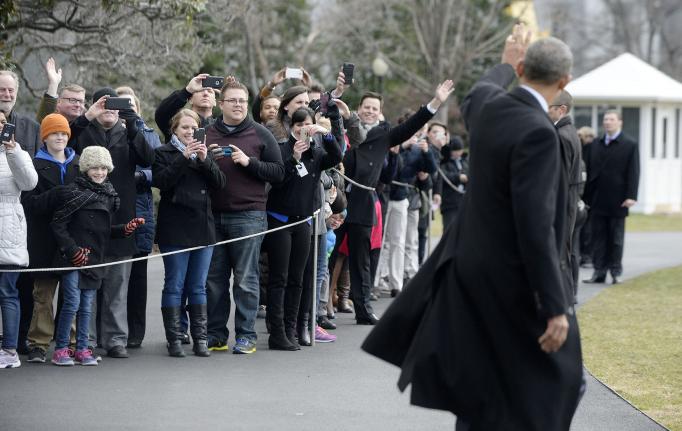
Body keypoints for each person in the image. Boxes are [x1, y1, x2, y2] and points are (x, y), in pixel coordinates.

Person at [363, 26, 583, 430]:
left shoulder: (489, 108)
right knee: (552, 384)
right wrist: (555, 306)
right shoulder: (538, 133)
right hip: (512, 284)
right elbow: (535, 226)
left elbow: (479, 89)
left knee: (481, 389)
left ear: (521, 68)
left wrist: (503, 63)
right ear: (564, 82)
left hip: (467, 274)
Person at [340, 81, 454, 325]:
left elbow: (412, 125)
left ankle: (363, 308)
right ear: (359, 109)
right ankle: (317, 310)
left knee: (361, 260)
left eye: (374, 108)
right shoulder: (346, 127)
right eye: (366, 107)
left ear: (379, 112)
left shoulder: (384, 134)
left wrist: (435, 102)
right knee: (328, 257)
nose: (370, 111)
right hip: (336, 199)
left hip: (362, 201)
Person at [68, 87, 155, 359]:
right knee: (88, 283)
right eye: (104, 105)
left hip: (122, 216)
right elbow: (64, 141)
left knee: (118, 284)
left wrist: (131, 122)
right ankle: (87, 338)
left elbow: (148, 158)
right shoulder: (84, 130)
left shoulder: (129, 131)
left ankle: (116, 338)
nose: (109, 110)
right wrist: (86, 115)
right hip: (87, 218)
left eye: (114, 105)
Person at [205, 80, 284, 354]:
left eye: (242, 101)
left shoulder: (260, 133)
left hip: (249, 215)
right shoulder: (207, 132)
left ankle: (246, 335)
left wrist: (248, 162)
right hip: (212, 215)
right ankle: (215, 335)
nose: (238, 105)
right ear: (220, 103)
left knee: (245, 279)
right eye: (232, 100)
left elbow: (278, 171)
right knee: (214, 279)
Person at [49, 146, 144, 366]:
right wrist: (72, 251)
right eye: (94, 168)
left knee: (87, 305)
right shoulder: (72, 192)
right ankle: (62, 349)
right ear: (85, 169)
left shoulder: (109, 195)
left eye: (103, 168)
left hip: (95, 259)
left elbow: (104, 230)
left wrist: (125, 229)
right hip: (74, 258)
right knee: (72, 302)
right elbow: (58, 225)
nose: (99, 172)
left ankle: (83, 349)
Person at [263, 106, 342, 350]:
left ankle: (291, 329)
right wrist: (294, 159)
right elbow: (277, 180)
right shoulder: (281, 149)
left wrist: (326, 135)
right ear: (291, 127)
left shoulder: (317, 153)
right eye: (298, 125)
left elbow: (337, 157)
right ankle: (276, 332)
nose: (302, 129)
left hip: (304, 222)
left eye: (306, 125)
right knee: (280, 278)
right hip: (280, 220)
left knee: (298, 279)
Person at [153, 109, 226, 357]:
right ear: (174, 130)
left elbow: (220, 184)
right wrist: (183, 158)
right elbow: (162, 181)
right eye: (184, 128)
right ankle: (174, 339)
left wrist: (204, 161)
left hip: (203, 229)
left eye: (193, 128)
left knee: (198, 286)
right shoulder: (163, 153)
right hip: (174, 228)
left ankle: (201, 339)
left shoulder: (205, 153)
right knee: (174, 284)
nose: (189, 132)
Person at [22, 114, 80, 363]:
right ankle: (39, 343)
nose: (60, 137)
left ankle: (72, 342)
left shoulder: (78, 163)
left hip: (72, 241)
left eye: (64, 133)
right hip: (44, 240)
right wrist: (56, 194)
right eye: (54, 133)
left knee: (73, 296)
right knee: (43, 297)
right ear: (44, 136)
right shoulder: (34, 165)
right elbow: (30, 204)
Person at [116, 86, 163, 349]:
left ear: (137, 107)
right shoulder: (106, 132)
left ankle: (135, 331)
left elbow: (158, 169)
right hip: (111, 208)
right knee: (109, 275)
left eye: (129, 104)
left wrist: (138, 177)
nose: (125, 109)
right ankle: (108, 330)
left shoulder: (148, 134)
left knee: (137, 276)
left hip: (140, 207)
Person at [0, 109, 38, 369]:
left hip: (9, 226)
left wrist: (13, 151)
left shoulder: (17, 152)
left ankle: (10, 349)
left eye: (2, 122)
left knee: (7, 291)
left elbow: (29, 183)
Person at [583, 110, 639, 285]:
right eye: (605, 119)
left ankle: (616, 272)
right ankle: (599, 272)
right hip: (597, 199)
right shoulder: (595, 144)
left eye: (612, 119)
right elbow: (590, 170)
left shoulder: (630, 144)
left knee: (616, 239)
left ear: (620, 122)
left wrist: (631, 195)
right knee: (598, 238)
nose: (608, 122)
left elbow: (634, 171)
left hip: (619, 199)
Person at [548, 89, 583, 294]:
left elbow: (559, 177)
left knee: (560, 253)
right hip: (568, 198)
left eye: (549, 107)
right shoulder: (570, 132)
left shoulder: (561, 135)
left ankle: (564, 300)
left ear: (561, 109)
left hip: (561, 202)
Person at [155, 73, 218, 142]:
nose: (205, 94)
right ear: (190, 99)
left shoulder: (221, 127)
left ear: (215, 102)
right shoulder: (178, 122)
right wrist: (186, 91)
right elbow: (162, 114)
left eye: (210, 91)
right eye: (200, 91)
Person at [36, 57, 86, 123]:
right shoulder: (52, 123)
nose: (78, 105)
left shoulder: (87, 126)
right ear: (58, 102)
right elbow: (45, 121)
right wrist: (53, 84)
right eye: (73, 100)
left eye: (81, 101)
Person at [434, 136, 468, 229]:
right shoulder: (445, 162)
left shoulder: (466, 161)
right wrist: (458, 177)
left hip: (465, 202)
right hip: (449, 203)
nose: (457, 153)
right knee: (449, 230)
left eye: (459, 150)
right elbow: (442, 176)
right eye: (455, 150)